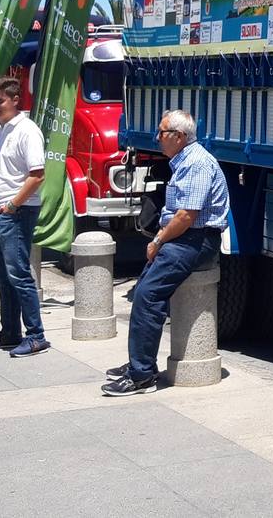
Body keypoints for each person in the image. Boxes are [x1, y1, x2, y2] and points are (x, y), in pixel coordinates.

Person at [102, 109, 226, 396]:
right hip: (185, 237)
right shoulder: (183, 160)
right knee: (144, 288)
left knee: (148, 295)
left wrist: (158, 240)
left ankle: (142, 376)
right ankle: (139, 362)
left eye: (162, 132)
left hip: (195, 240)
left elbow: (186, 216)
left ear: (180, 137)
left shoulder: (195, 163)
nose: (157, 138)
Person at [0, 77, 49, 357]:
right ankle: (9, 331)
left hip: (15, 212)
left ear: (15, 100)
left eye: (0, 100)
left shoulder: (27, 130)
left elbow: (37, 175)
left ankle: (36, 335)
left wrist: (12, 205)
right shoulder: (2, 129)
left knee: (19, 274)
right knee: (1, 275)